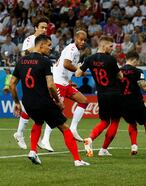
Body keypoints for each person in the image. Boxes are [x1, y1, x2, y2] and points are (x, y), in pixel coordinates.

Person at [9, 34, 89, 166]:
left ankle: (33, 151)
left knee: (38, 123)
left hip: (28, 102)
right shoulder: (45, 61)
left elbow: (12, 84)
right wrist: (58, 101)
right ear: (41, 45)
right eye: (49, 45)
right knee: (65, 128)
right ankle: (77, 160)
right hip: (44, 102)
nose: (50, 48)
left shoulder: (21, 61)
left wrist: (17, 102)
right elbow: (51, 85)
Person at [38, 30, 89, 152]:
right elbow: (66, 64)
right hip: (58, 83)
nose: (82, 42)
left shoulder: (75, 50)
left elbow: (63, 67)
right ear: (75, 38)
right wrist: (79, 69)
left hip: (65, 82)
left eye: (84, 40)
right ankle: (45, 139)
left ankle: (73, 128)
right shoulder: (72, 49)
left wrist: (70, 80)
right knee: (55, 111)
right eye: (80, 39)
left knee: (84, 101)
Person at [75, 35, 123, 157]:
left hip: (101, 94)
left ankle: (90, 139)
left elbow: (78, 74)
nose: (112, 48)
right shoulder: (111, 59)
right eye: (111, 46)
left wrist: (86, 68)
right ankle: (103, 149)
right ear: (103, 45)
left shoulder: (89, 59)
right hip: (114, 93)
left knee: (104, 121)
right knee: (115, 121)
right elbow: (120, 76)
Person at [13, 16, 49, 150]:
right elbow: (23, 54)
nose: (44, 30)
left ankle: (21, 133)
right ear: (36, 28)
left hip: (39, 74)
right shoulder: (30, 39)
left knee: (35, 105)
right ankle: (22, 133)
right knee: (33, 104)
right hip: (29, 75)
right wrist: (35, 47)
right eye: (42, 27)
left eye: (46, 27)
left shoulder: (45, 41)